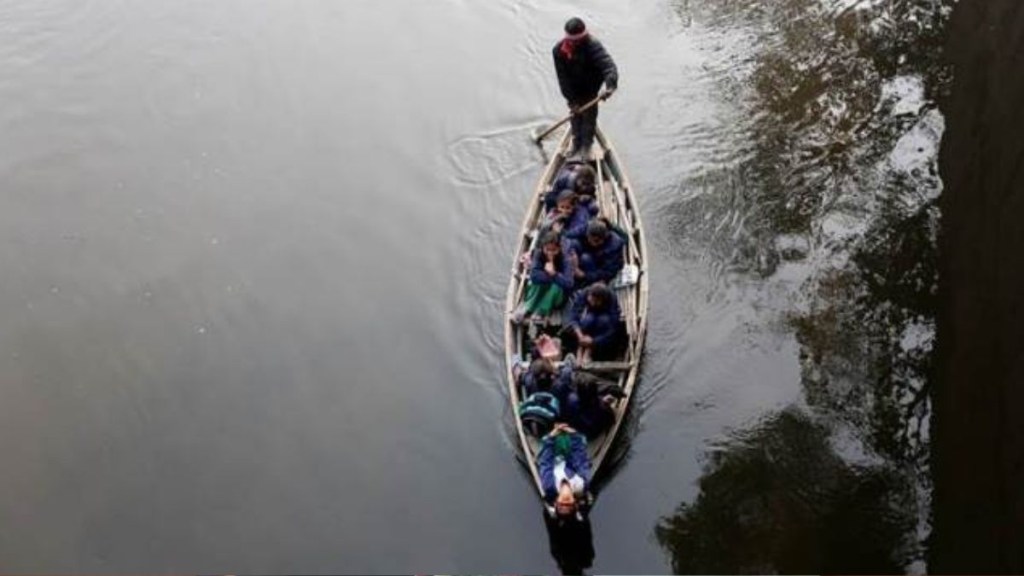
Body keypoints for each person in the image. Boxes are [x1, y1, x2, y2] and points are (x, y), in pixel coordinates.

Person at [553, 17, 619, 158]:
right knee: (575, 116)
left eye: (576, 41)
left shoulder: (593, 46)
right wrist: (571, 100)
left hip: (590, 88)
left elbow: (609, 67)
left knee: (589, 118)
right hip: (573, 90)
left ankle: (586, 146)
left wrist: (610, 86)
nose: (573, 43)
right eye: (571, 40)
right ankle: (576, 144)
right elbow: (562, 78)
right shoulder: (558, 51)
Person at [517, 230, 574, 322]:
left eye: (553, 250)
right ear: (543, 247)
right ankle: (527, 308)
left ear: (559, 249)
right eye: (547, 250)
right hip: (542, 288)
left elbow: (569, 283)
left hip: (557, 297)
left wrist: (554, 274)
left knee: (555, 287)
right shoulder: (538, 254)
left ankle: (541, 311)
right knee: (536, 283)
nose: (550, 253)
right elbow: (534, 276)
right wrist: (549, 275)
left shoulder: (565, 260)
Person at [538, 423, 591, 519]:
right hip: (568, 455)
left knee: (545, 440)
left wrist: (552, 437)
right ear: (575, 503)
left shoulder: (549, 485)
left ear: (556, 501)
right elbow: (580, 460)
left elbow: (546, 462)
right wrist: (573, 435)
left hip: (554, 455)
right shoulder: (581, 484)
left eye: (561, 505)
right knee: (581, 440)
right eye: (568, 506)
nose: (565, 503)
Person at [562, 282, 624, 363]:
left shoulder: (611, 299)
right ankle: (580, 348)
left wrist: (594, 341)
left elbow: (613, 327)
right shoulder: (585, 293)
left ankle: (589, 350)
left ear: (601, 300)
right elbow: (573, 315)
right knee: (588, 320)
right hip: (589, 318)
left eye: (595, 301)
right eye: (591, 300)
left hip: (603, 319)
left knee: (603, 321)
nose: (592, 302)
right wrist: (579, 334)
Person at [569, 219, 625, 288]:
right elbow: (570, 234)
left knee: (585, 258)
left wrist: (585, 275)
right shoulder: (588, 227)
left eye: (595, 241)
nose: (590, 242)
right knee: (573, 244)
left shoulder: (614, 246)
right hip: (588, 254)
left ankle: (584, 283)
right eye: (589, 238)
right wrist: (573, 254)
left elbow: (609, 272)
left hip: (598, 266)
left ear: (602, 239)